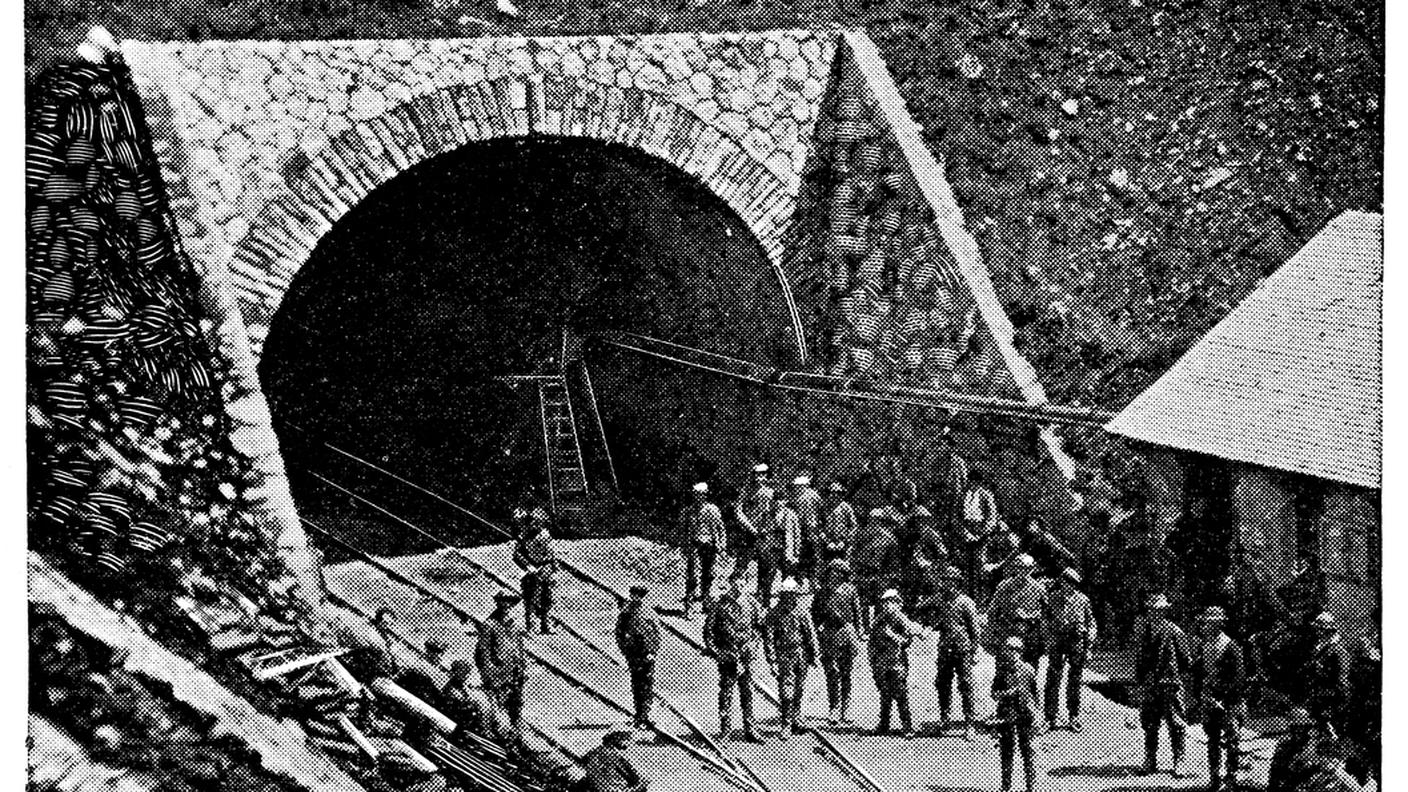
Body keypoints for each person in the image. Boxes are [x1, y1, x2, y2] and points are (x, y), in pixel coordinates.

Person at [915, 564, 979, 740]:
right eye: (946, 581)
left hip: (963, 649)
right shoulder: (939, 599)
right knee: (942, 683)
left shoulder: (966, 602)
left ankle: (970, 723)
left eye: (952, 581)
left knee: (966, 685)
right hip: (944, 649)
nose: (949, 584)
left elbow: (974, 630)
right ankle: (945, 718)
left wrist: (974, 652)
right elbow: (920, 608)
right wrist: (927, 620)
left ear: (957, 583)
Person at [702, 573, 765, 743]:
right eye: (735, 582)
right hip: (727, 656)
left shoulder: (752, 603)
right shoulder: (720, 604)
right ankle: (725, 730)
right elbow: (708, 632)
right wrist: (717, 652)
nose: (738, 585)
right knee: (726, 693)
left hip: (746, 656)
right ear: (730, 583)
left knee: (747, 692)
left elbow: (760, 628)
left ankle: (750, 729)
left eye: (742, 582)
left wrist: (753, 646)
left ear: (746, 584)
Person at [1136, 593, 1192, 777]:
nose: (1155, 613)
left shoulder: (1174, 631)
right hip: (1150, 685)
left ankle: (1179, 761)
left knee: (1176, 723)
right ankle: (1150, 760)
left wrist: (1173, 676)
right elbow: (1140, 659)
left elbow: (1186, 660)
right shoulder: (1144, 631)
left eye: (1159, 610)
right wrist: (1142, 681)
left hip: (1170, 685)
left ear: (1165, 611)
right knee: (1149, 723)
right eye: (1152, 610)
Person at [1191, 606, 1245, 792]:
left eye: (1213, 623)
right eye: (1207, 622)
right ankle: (1214, 778)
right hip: (1210, 701)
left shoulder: (1231, 646)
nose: (1208, 626)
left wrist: (1222, 697)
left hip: (1230, 703)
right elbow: (1198, 673)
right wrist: (1202, 696)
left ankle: (1231, 778)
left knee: (1232, 740)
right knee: (1212, 740)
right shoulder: (1205, 646)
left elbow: (1238, 679)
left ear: (1220, 624)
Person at [763, 577, 819, 739]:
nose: (790, 597)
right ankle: (786, 723)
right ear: (782, 595)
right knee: (786, 690)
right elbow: (769, 639)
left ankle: (796, 718)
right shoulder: (774, 613)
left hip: (801, 653)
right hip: (784, 655)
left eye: (793, 594)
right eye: (787, 594)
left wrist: (814, 655)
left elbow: (811, 634)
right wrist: (772, 661)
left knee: (799, 688)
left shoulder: (802, 611)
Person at [1044, 568, 1096, 732]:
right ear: (1062, 582)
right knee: (1053, 678)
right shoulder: (1052, 598)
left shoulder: (1083, 600)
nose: (1069, 586)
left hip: (1076, 641)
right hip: (1058, 640)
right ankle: (1050, 717)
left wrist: (1089, 647)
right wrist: (1048, 639)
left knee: (1075, 680)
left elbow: (1091, 624)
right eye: (1067, 583)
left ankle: (1074, 716)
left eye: (1073, 584)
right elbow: (1045, 619)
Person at [812, 558, 864, 724]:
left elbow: (858, 613)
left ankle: (845, 709)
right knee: (832, 672)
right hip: (828, 634)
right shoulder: (822, 592)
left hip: (847, 633)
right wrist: (817, 631)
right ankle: (834, 707)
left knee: (846, 672)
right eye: (832, 572)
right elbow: (814, 615)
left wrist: (859, 632)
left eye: (839, 572)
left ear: (843, 574)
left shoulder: (850, 590)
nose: (835, 575)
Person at [869, 589, 920, 739]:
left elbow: (909, 638)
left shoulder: (901, 619)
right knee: (884, 694)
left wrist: (893, 636)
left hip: (897, 663)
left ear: (898, 604)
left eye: (891, 602)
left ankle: (907, 726)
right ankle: (884, 724)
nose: (888, 606)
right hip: (881, 662)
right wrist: (873, 660)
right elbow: (872, 642)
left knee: (901, 694)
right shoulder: (879, 619)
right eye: (885, 603)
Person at [992, 636, 1040, 792]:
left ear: (1021, 652)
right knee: (1006, 752)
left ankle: (1031, 787)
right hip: (1007, 715)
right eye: (1010, 650)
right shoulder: (1002, 671)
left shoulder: (1028, 670)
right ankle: (1006, 787)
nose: (1013, 654)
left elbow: (1035, 694)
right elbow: (994, 693)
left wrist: (1036, 715)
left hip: (1025, 715)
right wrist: (1007, 694)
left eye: (1016, 650)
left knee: (1028, 752)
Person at [987, 554, 1048, 670]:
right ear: (1015, 568)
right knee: (1004, 670)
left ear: (1032, 569)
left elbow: (1047, 614)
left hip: (1030, 634)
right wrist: (992, 636)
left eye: (1026, 568)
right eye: (1020, 567)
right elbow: (992, 612)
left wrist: (1032, 616)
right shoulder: (1004, 586)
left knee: (1029, 670)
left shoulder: (1039, 589)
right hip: (1008, 632)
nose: (1023, 571)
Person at [476, 592, 527, 726]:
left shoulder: (514, 624)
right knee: (498, 710)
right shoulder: (489, 625)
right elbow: (483, 652)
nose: (506, 605)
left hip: (514, 672)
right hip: (497, 673)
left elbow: (520, 648)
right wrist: (488, 673)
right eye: (503, 601)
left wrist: (522, 667)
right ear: (498, 603)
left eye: (509, 602)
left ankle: (515, 733)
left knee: (515, 706)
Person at [615, 584, 661, 730]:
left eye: (639, 596)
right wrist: (625, 652)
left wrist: (652, 653)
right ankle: (639, 715)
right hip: (633, 654)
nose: (637, 598)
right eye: (634, 595)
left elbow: (657, 635)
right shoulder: (626, 613)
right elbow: (619, 634)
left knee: (647, 684)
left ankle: (645, 715)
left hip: (647, 654)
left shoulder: (650, 613)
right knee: (637, 684)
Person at [680, 482, 727, 618]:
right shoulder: (689, 511)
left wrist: (722, 546)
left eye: (701, 495)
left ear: (705, 495)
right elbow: (683, 530)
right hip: (694, 544)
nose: (698, 497)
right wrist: (684, 546)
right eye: (696, 495)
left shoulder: (712, 510)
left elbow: (720, 528)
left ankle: (706, 603)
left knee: (709, 575)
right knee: (693, 575)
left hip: (709, 545)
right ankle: (689, 606)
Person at [853, 508, 901, 631]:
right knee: (863, 600)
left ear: (882, 521)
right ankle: (864, 627)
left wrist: (889, 576)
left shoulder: (889, 539)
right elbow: (854, 553)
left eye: (877, 520)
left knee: (879, 601)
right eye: (871, 520)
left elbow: (892, 561)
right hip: (862, 572)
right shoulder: (861, 535)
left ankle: (877, 627)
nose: (873, 523)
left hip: (880, 575)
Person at [513, 508, 557, 635]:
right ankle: (530, 626)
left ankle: (546, 625)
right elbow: (517, 555)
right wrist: (528, 566)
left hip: (545, 569)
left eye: (540, 522)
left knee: (547, 599)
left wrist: (551, 568)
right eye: (534, 522)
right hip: (532, 570)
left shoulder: (545, 535)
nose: (537, 525)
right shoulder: (524, 536)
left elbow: (551, 553)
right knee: (530, 599)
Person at [1304, 612, 1349, 739]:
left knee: (1327, 724)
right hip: (1319, 692)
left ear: (1327, 631)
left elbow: (1341, 678)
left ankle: (1332, 737)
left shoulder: (1337, 650)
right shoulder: (1320, 647)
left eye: (1320, 629)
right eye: (1317, 629)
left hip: (1330, 694)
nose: (1317, 632)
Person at [733, 463, 775, 588]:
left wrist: (769, 528)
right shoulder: (746, 491)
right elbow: (738, 511)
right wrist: (750, 527)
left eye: (762, 474)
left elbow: (775, 512)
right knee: (742, 565)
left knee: (766, 566)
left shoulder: (771, 492)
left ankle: (763, 597)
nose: (759, 478)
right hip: (748, 533)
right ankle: (732, 597)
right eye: (757, 474)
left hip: (765, 534)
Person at [959, 469, 999, 595]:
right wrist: (965, 533)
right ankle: (968, 596)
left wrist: (980, 534)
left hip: (981, 534)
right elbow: (956, 517)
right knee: (967, 568)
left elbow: (992, 518)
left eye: (975, 482)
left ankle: (980, 598)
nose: (973, 484)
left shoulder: (986, 495)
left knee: (980, 568)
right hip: (966, 533)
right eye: (971, 482)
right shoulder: (963, 495)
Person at [761, 491, 803, 603]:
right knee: (770, 573)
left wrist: (796, 552)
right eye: (776, 500)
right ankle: (766, 599)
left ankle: (787, 600)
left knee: (788, 575)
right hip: (772, 549)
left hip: (788, 549)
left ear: (785, 502)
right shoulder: (768, 514)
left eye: (781, 500)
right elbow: (763, 531)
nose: (778, 503)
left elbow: (797, 535)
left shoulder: (791, 515)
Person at [582, 728, 648, 792]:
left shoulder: (615, 754)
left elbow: (629, 770)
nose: (626, 744)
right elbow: (597, 777)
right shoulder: (600, 755)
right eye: (624, 739)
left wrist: (639, 781)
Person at [792, 475, 824, 590]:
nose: (796, 488)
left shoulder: (800, 498)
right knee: (815, 557)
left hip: (805, 530)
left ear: (803, 486)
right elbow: (822, 509)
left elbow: (800, 516)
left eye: (797, 486)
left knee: (802, 556)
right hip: (814, 529)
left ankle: (801, 582)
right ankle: (813, 583)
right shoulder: (815, 495)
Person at [819, 481, 859, 565]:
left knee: (844, 566)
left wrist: (844, 541)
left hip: (844, 544)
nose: (834, 495)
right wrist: (827, 541)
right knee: (826, 567)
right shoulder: (824, 508)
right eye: (832, 493)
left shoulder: (846, 508)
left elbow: (854, 526)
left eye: (837, 493)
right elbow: (819, 527)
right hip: (828, 544)